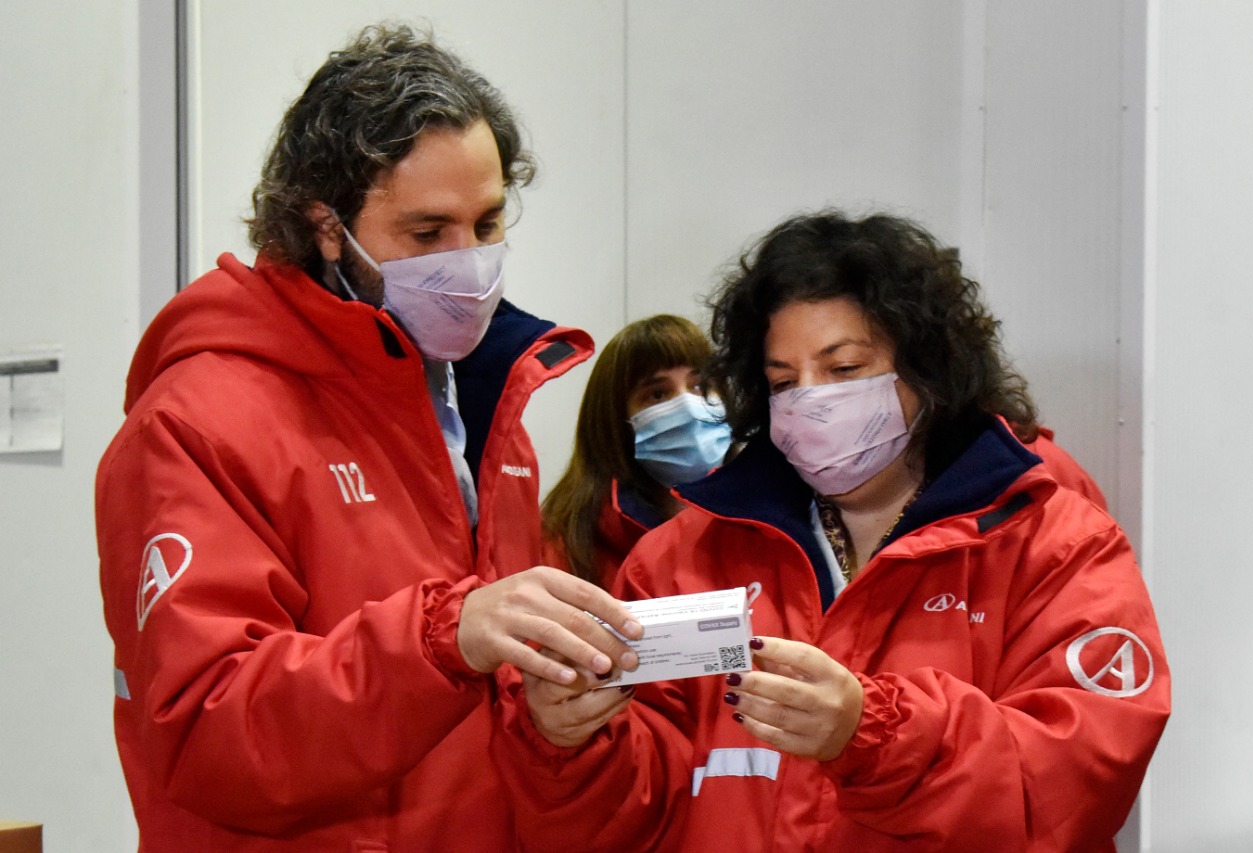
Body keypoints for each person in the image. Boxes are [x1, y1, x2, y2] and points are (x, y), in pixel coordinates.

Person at [95, 24, 641, 852]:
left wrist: (553, 713)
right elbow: (209, 728)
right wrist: (441, 637)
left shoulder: (487, 403)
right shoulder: (196, 421)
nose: (471, 264)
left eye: (489, 223)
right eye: (427, 235)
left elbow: (492, 693)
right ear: (325, 227)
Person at [494, 211, 1170, 852]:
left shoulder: (1053, 545)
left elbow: (1074, 782)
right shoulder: (684, 556)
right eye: (783, 380)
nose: (812, 399)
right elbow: (623, 817)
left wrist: (874, 735)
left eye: (844, 370)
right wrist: (570, 739)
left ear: (929, 371)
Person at [540, 314, 732, 590]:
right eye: (657, 394)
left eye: (700, 386)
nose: (688, 406)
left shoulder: (763, 520)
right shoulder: (568, 539)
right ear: (616, 421)